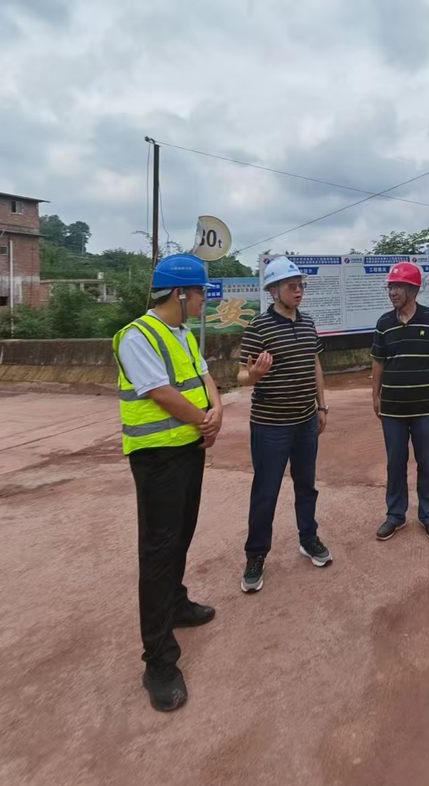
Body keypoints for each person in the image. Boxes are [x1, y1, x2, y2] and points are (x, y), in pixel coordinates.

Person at [113, 253, 223, 712]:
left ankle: (176, 604)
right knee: (158, 551)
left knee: (181, 536)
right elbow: (160, 392)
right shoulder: (138, 336)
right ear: (179, 293)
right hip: (157, 459)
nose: (202, 301)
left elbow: (205, 376)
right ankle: (158, 660)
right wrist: (203, 420)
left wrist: (216, 411)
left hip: (189, 450)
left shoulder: (182, 334)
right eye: (199, 294)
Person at [237, 256, 331, 593]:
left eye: (300, 285)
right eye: (292, 286)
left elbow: (315, 364)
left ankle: (308, 538)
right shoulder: (259, 327)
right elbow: (240, 374)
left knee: (307, 486)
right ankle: (256, 555)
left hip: (305, 422)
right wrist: (254, 375)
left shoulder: (308, 323)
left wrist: (321, 406)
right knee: (266, 492)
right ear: (273, 291)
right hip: (270, 427)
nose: (298, 290)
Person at [371, 261, 429, 542]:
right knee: (395, 463)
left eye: (398, 287)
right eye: (390, 287)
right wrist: (375, 395)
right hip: (392, 408)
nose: (392, 292)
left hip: (425, 407)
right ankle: (395, 515)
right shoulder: (384, 323)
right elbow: (378, 361)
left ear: (413, 290)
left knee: (427, 463)